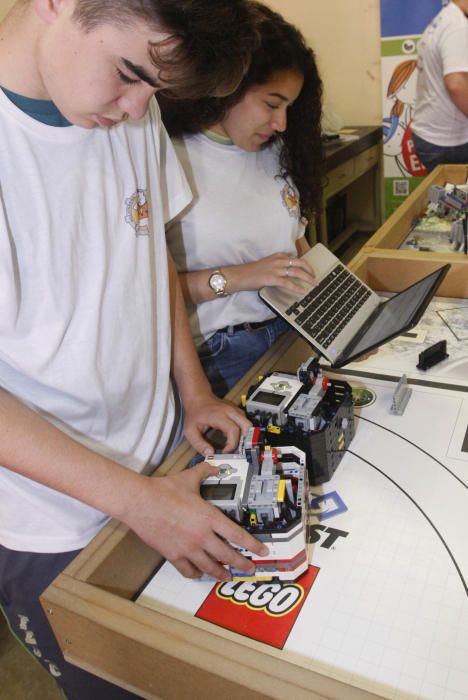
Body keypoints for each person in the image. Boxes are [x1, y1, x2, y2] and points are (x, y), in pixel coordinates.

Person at [0, 1, 267, 698]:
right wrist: (137, 502)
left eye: (154, 88)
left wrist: (195, 392)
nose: (134, 107)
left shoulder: (133, 109)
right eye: (128, 74)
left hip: (163, 471)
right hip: (56, 513)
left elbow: (149, 261)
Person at [163, 3, 323, 397]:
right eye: (272, 104)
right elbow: (149, 294)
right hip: (220, 352)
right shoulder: (169, 158)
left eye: (289, 107)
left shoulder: (275, 152)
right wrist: (242, 277)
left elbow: (296, 243)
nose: (281, 123)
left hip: (289, 327)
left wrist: (328, 313)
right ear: (229, 85)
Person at [412, 0, 468, 173]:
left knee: (446, 196)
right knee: (454, 196)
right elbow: (456, 84)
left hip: (434, 134)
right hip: (447, 141)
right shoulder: (457, 26)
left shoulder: (444, 20)